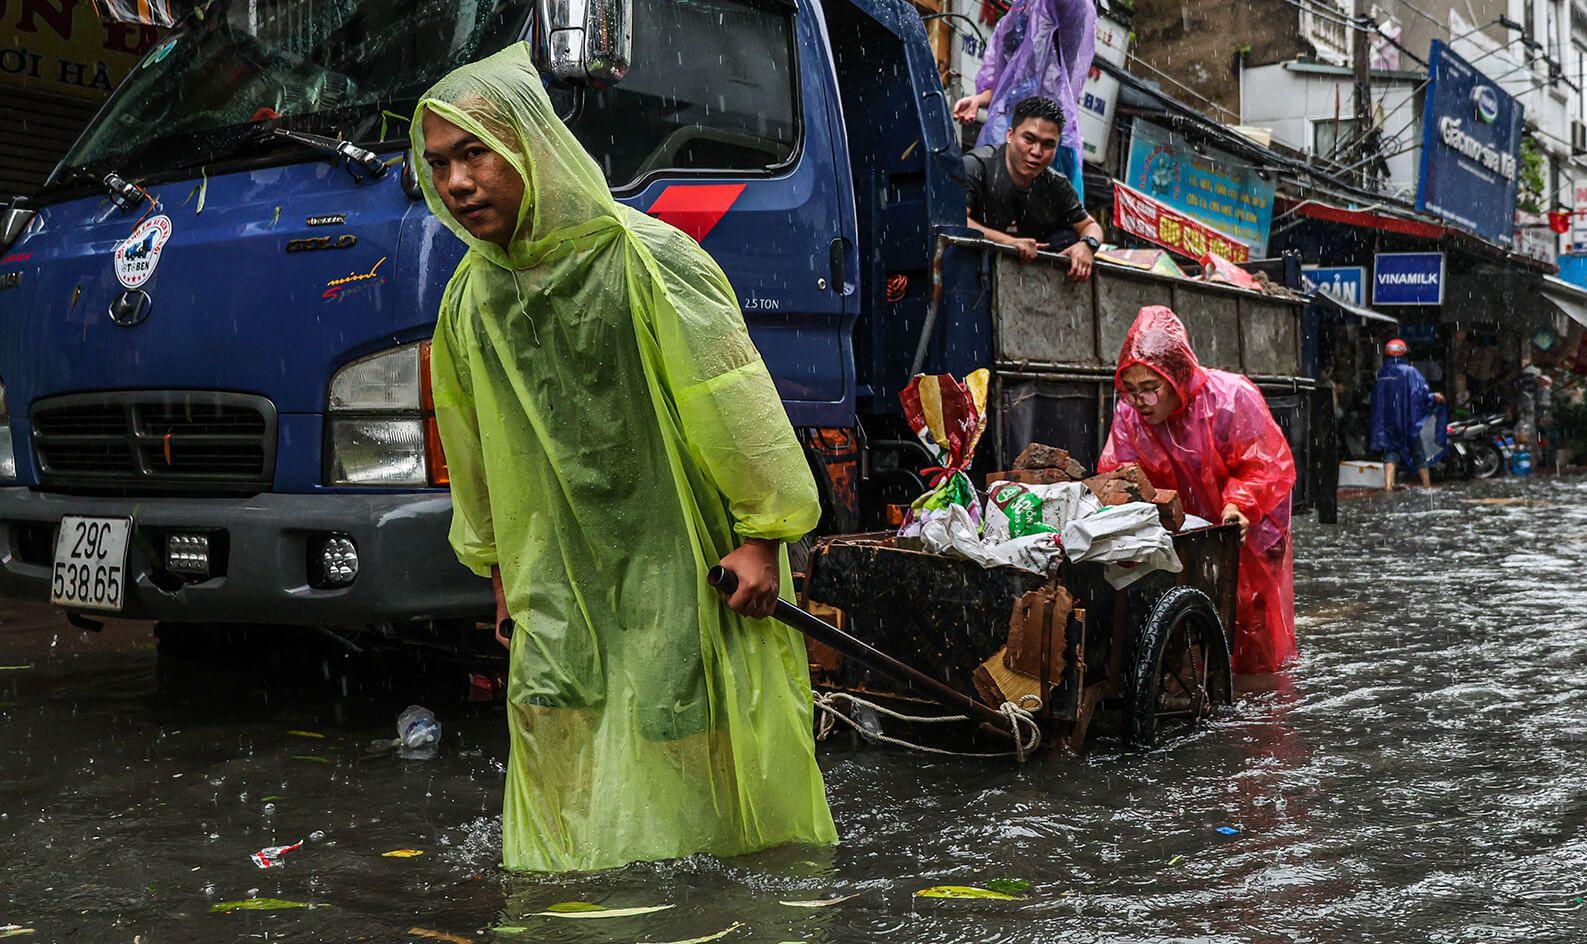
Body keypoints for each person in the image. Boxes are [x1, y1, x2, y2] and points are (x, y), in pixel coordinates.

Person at [415, 44, 836, 873]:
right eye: (439, 165)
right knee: (557, 715)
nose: (457, 184)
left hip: (673, 553)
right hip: (551, 569)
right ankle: (572, 889)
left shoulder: (647, 261)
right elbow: (472, 449)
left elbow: (735, 407)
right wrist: (498, 570)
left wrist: (763, 535)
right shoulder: (471, 297)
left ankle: (707, 897)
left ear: (531, 149)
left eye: (475, 153)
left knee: (684, 718)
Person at [1099, 306, 1298, 675]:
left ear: (1177, 377)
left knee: (1251, 626)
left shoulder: (1231, 398)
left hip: (1245, 532)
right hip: (1181, 535)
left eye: (1149, 389)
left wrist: (1240, 505)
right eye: (1130, 391)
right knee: (1183, 629)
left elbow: (1265, 464)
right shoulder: (1129, 416)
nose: (1140, 401)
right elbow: (1118, 472)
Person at [953, 0, 1095, 196]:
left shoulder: (1069, 10)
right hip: (1002, 136)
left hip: (1048, 137)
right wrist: (977, 100)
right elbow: (1003, 84)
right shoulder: (1016, 15)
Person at [963, 96, 1103, 280]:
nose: (1037, 152)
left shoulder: (1056, 185)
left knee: (1070, 238)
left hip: (1028, 286)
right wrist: (1008, 243)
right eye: (1029, 139)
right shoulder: (976, 166)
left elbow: (1091, 226)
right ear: (1010, 135)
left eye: (1047, 145)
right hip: (970, 273)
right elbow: (956, 220)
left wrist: (1087, 246)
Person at [1369, 338, 1443, 490]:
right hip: (1408, 420)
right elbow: (1420, 394)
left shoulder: (1382, 373)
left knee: (1390, 452)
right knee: (1418, 453)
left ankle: (1388, 486)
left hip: (1388, 422)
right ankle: (1427, 486)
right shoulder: (1410, 372)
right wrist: (1433, 397)